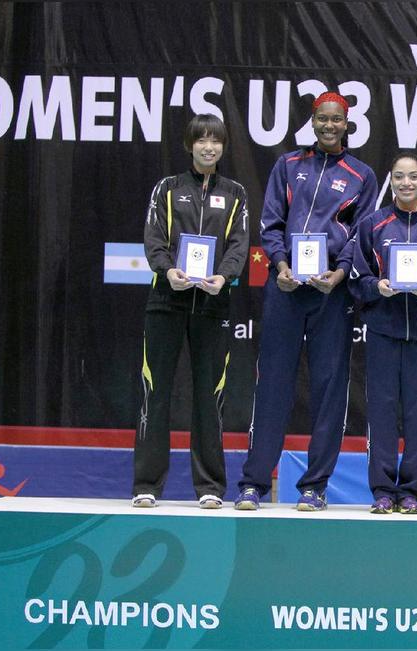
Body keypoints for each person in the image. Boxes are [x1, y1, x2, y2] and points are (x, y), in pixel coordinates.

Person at [235, 92, 377, 511]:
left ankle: (315, 486)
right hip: (286, 288)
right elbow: (271, 222)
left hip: (331, 292)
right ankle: (253, 483)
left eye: (337, 120)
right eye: (322, 119)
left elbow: (362, 234)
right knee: (272, 384)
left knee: (330, 388)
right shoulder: (288, 165)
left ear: (347, 124)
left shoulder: (362, 175)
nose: (329, 126)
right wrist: (280, 265)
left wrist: (341, 272)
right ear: (313, 122)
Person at [133, 114, 249, 509]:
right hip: (167, 301)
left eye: (215, 140)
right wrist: (168, 271)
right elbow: (153, 238)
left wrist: (224, 276)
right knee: (155, 391)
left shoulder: (235, 193)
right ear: (189, 145)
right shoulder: (167, 188)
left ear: (223, 147)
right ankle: (146, 484)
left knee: (210, 395)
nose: (208, 147)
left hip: (213, 303)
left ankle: (211, 486)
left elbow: (239, 244)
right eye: (201, 140)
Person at [348, 152, 417, 515]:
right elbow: (358, 276)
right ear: (390, 181)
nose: (406, 183)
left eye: (413, 176)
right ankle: (382, 490)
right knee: (380, 411)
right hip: (383, 330)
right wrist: (376, 287)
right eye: (399, 176)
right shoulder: (373, 225)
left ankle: (411, 491)